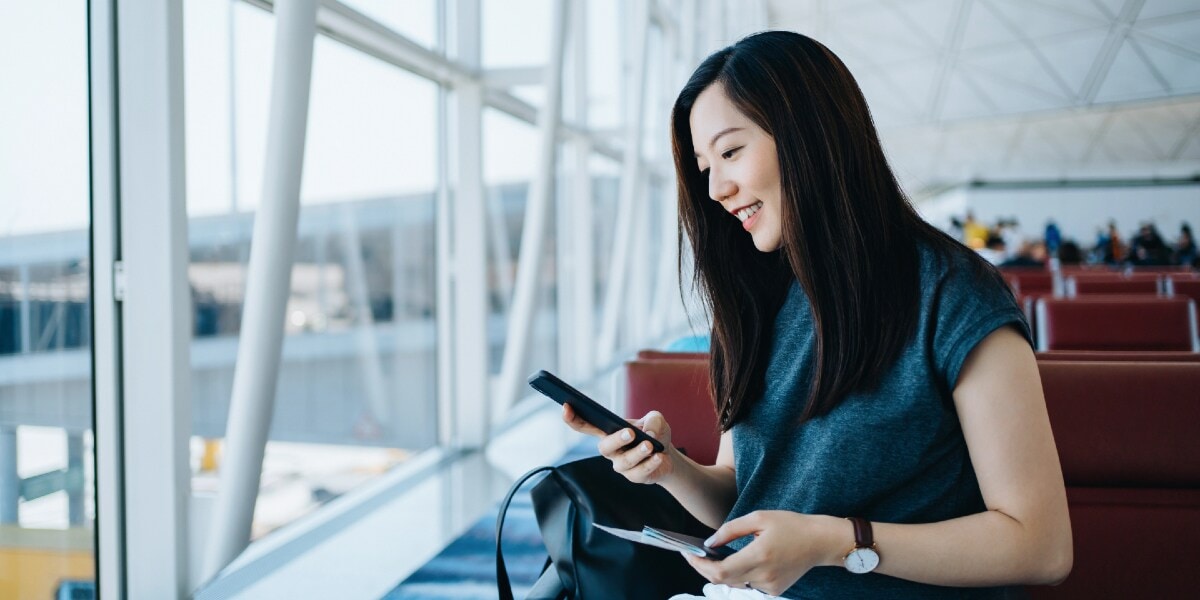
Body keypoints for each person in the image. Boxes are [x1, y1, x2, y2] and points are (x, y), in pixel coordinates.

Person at [562, 31, 1071, 599]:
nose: (717, 189)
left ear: (811, 135)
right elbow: (744, 495)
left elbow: (1040, 545)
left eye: (730, 152)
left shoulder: (954, 294)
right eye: (705, 165)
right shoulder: (754, 303)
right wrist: (669, 468)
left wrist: (836, 542)